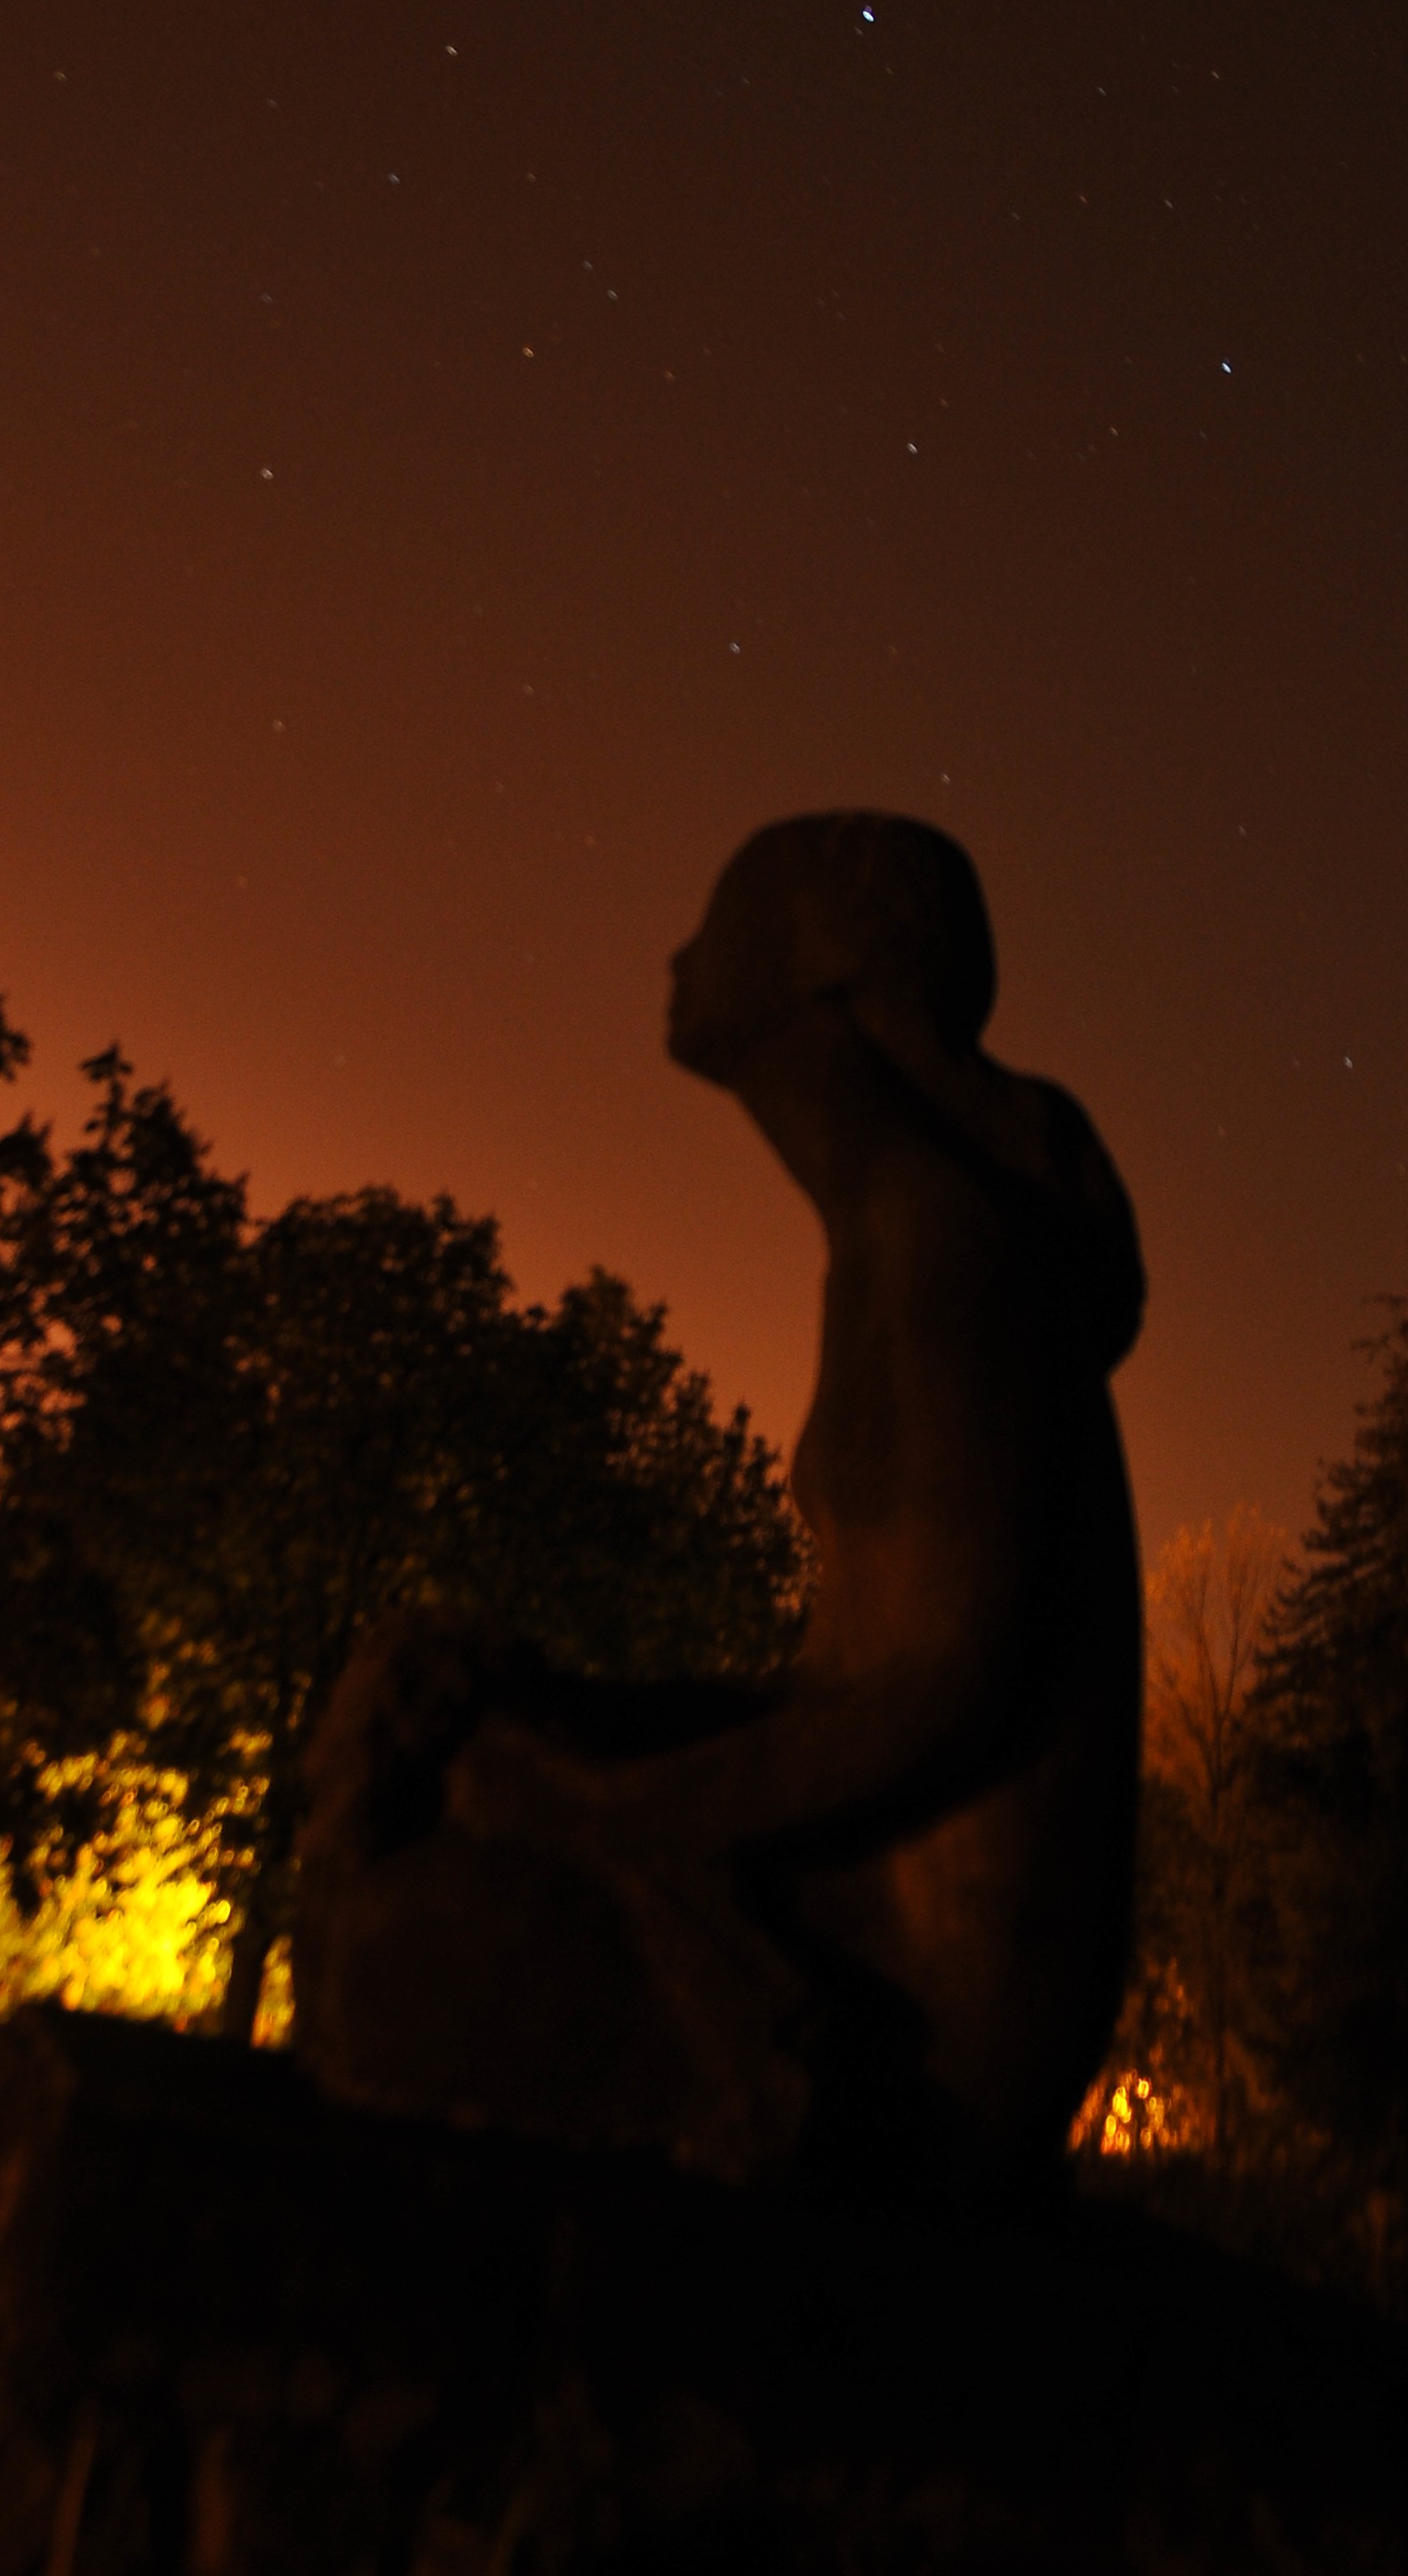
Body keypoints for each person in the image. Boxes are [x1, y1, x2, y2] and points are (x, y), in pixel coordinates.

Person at [291, 811, 1145, 2209]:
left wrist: (609, 1807)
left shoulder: (944, 1247)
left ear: (830, 972)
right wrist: (581, 1720)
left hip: (921, 2019)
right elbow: (843, 1682)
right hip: (862, 1912)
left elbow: (951, 1685)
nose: (680, 956)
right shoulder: (888, 1237)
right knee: (413, 1819)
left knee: (401, 1946)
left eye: (726, 913)